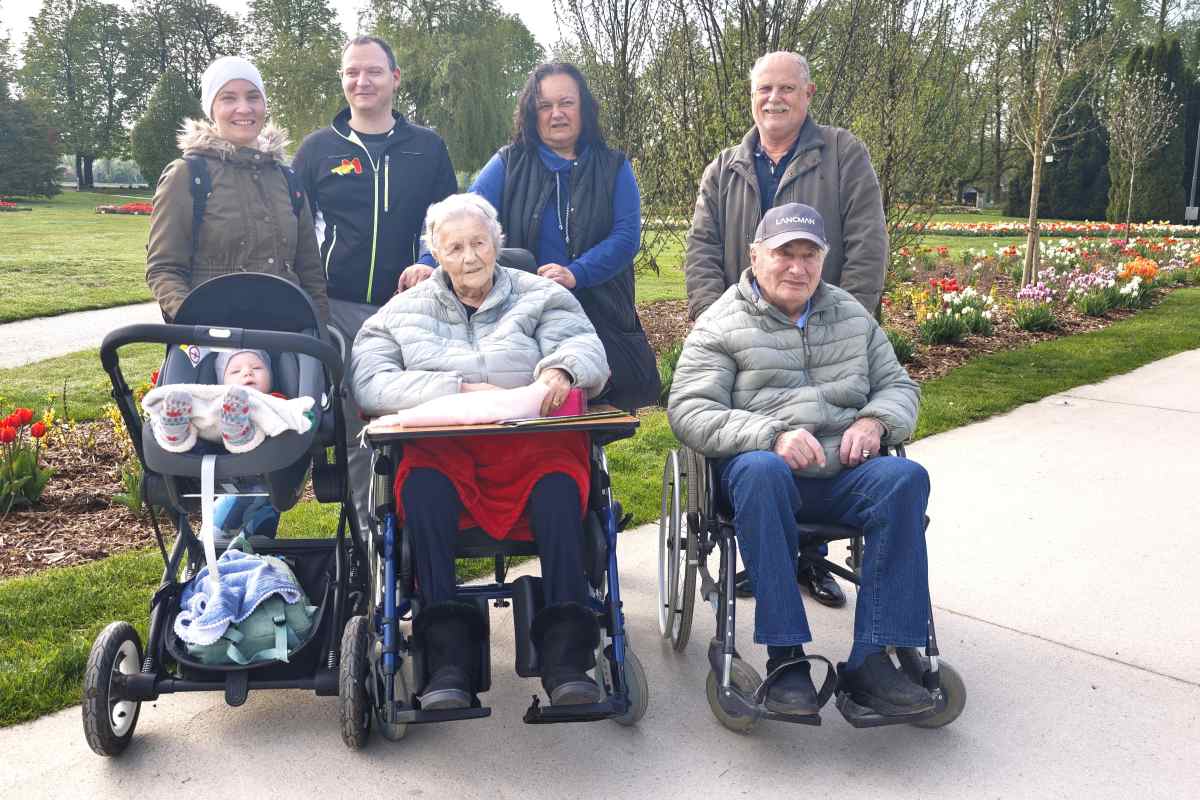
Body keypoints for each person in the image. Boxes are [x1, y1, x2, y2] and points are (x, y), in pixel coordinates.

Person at [668, 203, 934, 717]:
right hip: (758, 473)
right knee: (763, 471)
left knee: (905, 478)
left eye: (808, 255)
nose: (797, 267)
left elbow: (900, 386)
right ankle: (786, 657)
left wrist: (875, 421)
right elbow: (688, 409)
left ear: (823, 260)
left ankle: (872, 659)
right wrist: (770, 435)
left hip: (842, 471)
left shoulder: (851, 316)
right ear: (754, 256)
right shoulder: (721, 323)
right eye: (784, 253)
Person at [350, 194, 611, 711]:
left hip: (531, 445)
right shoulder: (399, 313)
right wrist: (457, 392)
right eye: (455, 248)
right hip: (444, 448)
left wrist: (561, 370)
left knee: (562, 488)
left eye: (478, 243)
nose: (469, 257)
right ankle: (448, 661)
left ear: (497, 244)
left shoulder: (541, 296)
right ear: (435, 254)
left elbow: (586, 349)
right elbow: (371, 382)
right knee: (421, 489)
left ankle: (566, 659)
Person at [684, 50, 890, 607]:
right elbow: (701, 249)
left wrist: (851, 318)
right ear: (751, 97)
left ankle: (810, 560)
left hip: (826, 320)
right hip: (745, 329)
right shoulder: (725, 167)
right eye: (763, 90)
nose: (773, 100)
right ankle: (766, 551)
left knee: (819, 421)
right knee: (761, 437)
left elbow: (869, 241)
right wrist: (716, 321)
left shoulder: (842, 155)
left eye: (786, 89)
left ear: (808, 94)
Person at [291, 35, 458, 536]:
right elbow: (295, 227)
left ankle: (423, 533)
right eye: (351, 73)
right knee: (356, 426)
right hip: (338, 310)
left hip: (408, 311)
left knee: (415, 424)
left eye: (373, 72)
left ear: (395, 78)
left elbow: (446, 222)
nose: (361, 82)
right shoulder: (318, 150)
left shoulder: (426, 148)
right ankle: (370, 544)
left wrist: (430, 261)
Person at [467, 61, 659, 412]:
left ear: (583, 108)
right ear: (531, 113)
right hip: (520, 320)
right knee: (530, 414)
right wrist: (427, 263)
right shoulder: (507, 164)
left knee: (591, 419)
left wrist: (576, 273)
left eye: (566, 103)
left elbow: (626, 237)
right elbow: (466, 220)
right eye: (545, 105)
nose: (556, 114)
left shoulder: (614, 167)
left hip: (600, 314)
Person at [146, 56, 330, 324]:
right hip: (215, 337)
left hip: (287, 336)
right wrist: (199, 326)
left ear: (264, 105)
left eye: (253, 97)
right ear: (211, 109)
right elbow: (163, 269)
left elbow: (310, 272)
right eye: (229, 98)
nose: (244, 108)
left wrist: (321, 334)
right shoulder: (187, 176)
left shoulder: (287, 180)